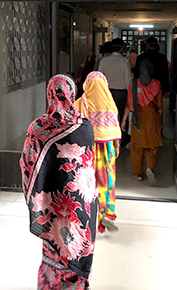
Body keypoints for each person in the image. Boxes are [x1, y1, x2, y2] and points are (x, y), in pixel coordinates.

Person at [19, 74, 98, 290]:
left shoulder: (38, 129)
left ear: (50, 95)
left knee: (54, 258)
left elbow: (27, 165)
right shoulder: (85, 128)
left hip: (53, 212)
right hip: (82, 209)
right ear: (73, 95)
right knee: (77, 255)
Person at [74, 71, 121, 233]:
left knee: (87, 181)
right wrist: (116, 148)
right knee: (106, 179)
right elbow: (115, 132)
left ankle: (87, 214)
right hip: (107, 149)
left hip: (88, 149)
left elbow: (75, 127)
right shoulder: (110, 103)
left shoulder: (82, 102)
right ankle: (106, 212)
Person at [121, 59, 163, 185]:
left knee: (136, 147)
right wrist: (160, 122)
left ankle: (138, 174)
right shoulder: (157, 85)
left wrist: (123, 121)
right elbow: (160, 107)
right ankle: (149, 167)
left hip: (137, 118)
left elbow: (128, 104)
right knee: (152, 146)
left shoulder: (134, 85)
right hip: (152, 117)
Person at [98, 37, 132, 147]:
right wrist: (130, 93)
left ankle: (108, 139)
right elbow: (128, 79)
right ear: (121, 48)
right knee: (122, 116)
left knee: (107, 116)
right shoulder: (124, 61)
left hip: (107, 93)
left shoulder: (103, 60)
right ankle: (123, 139)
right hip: (121, 93)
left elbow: (99, 77)